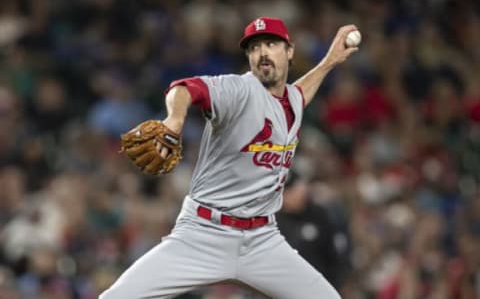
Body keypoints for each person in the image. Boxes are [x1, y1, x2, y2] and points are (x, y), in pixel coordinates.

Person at [100, 17, 358, 299]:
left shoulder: (291, 100)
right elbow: (185, 88)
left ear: (290, 51)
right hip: (203, 235)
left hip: (263, 241)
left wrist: (329, 62)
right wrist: (174, 120)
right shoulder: (238, 90)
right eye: (254, 47)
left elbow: (298, 94)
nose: (262, 53)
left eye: (271, 44)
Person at [276, 171, 349, 289]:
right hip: (287, 289)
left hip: (321, 286)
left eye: (292, 190)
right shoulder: (275, 222)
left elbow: (335, 256)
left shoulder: (319, 215)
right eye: (285, 192)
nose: (288, 196)